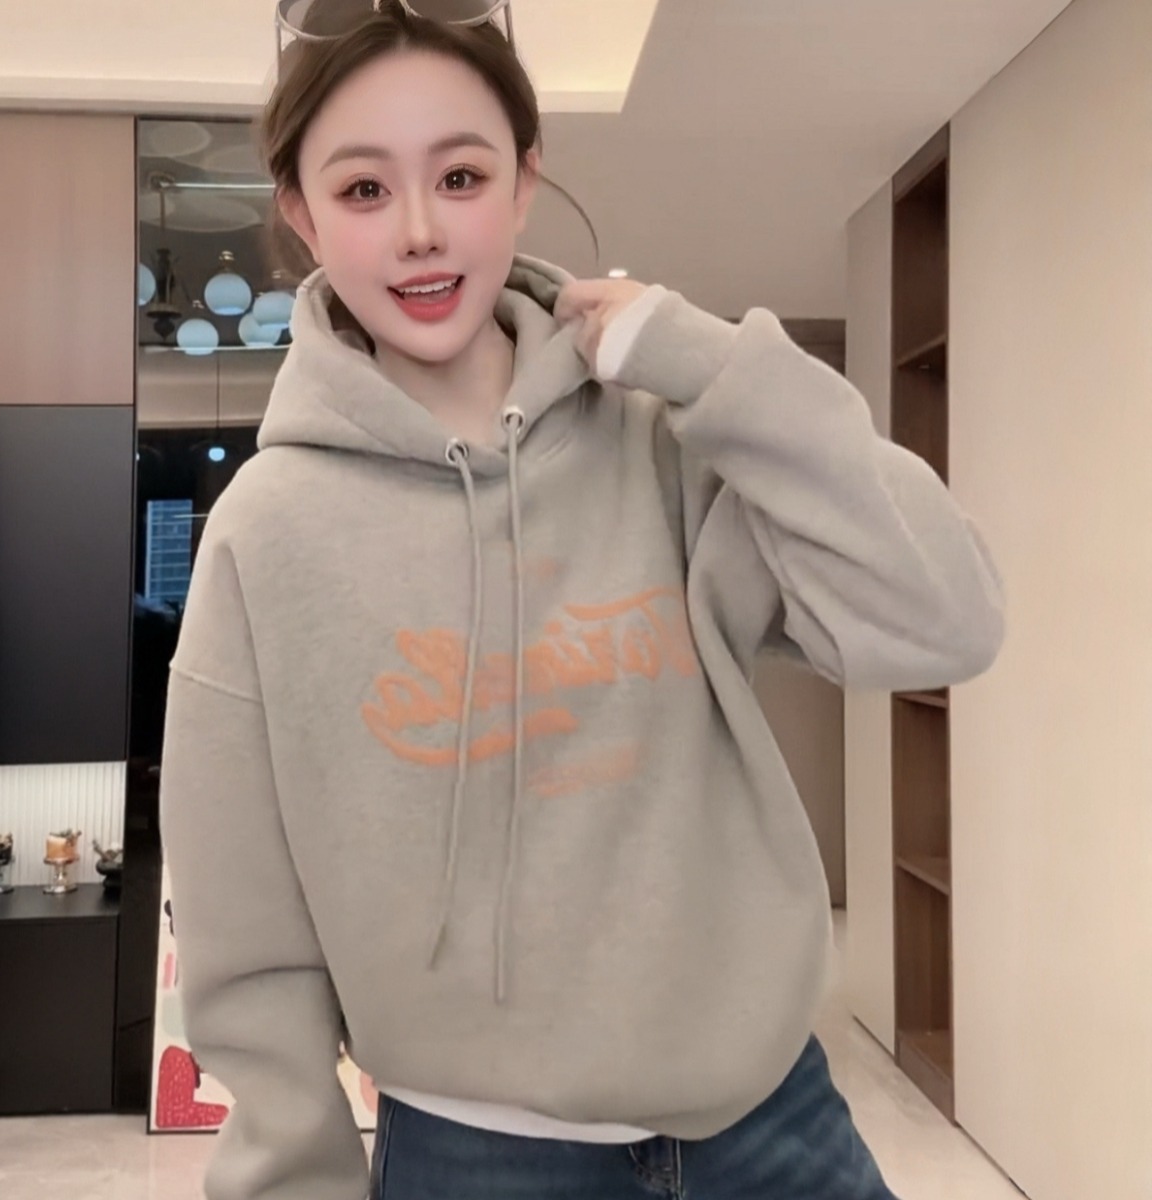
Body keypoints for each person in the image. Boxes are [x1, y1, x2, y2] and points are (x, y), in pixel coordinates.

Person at [159, 2, 1006, 1198]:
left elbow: (947, 618)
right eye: (363, 189)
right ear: (301, 213)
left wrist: (716, 364)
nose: (419, 230)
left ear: (524, 180)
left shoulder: (669, 435)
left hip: (776, 1128)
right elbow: (244, 925)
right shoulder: (269, 529)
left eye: (460, 176)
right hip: (476, 1158)